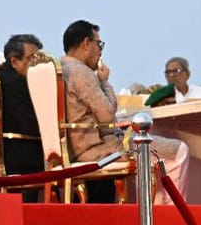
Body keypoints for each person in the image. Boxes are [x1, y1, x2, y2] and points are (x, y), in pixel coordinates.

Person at [61, 19, 189, 204]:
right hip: (99, 151)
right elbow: (107, 115)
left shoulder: (61, 69)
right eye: (99, 44)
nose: (101, 51)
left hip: (75, 149)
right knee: (178, 151)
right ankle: (169, 214)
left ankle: (155, 210)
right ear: (86, 43)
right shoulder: (81, 72)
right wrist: (104, 82)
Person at [0, 34, 45, 202]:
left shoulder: (0, 78)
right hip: (23, 158)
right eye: (31, 59)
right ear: (14, 61)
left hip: (7, 155)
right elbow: (31, 125)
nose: (36, 65)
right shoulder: (17, 85)